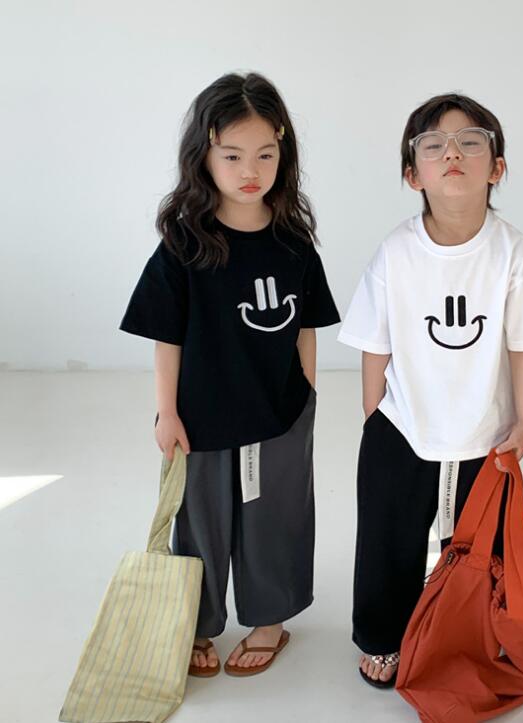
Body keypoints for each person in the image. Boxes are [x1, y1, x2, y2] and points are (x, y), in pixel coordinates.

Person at [337, 93, 523, 688]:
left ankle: (477, 631)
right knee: (388, 534)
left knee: (484, 541)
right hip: (403, 422)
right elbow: (375, 345)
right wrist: (375, 417)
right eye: (434, 145)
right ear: (413, 174)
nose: (453, 153)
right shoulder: (395, 253)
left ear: (496, 167)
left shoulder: (516, 257)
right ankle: (383, 636)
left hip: (485, 426)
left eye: (470, 142)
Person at [120, 72, 340, 678]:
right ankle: (197, 621)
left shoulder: (294, 241)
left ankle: (270, 620)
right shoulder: (184, 242)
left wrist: (307, 395)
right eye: (233, 155)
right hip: (202, 415)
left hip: (280, 410)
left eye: (265, 155)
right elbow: (166, 335)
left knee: (277, 518)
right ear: (204, 155)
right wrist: (167, 411)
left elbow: (306, 326)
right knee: (200, 522)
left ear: (283, 154)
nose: (251, 170)